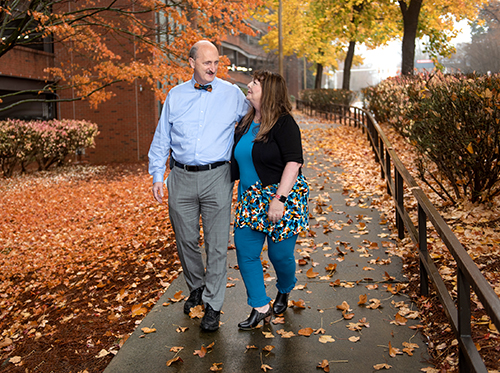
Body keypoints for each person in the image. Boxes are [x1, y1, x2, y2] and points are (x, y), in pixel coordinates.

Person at [148, 40, 249, 332]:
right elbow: (161, 139)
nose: (213, 68)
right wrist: (157, 176)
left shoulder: (232, 94)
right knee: (186, 239)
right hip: (179, 177)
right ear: (191, 63)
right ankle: (197, 288)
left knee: (217, 245)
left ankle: (214, 305)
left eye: (216, 63)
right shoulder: (175, 96)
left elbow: (256, 116)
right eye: (207, 63)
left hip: (217, 176)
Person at [230, 70, 309, 330]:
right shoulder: (244, 123)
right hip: (250, 199)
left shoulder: (284, 123)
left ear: (270, 93)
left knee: (280, 255)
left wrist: (279, 199)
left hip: (281, 196)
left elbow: (293, 162)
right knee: (245, 251)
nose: (249, 85)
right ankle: (260, 306)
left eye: (255, 83)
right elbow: (235, 163)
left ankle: (284, 288)